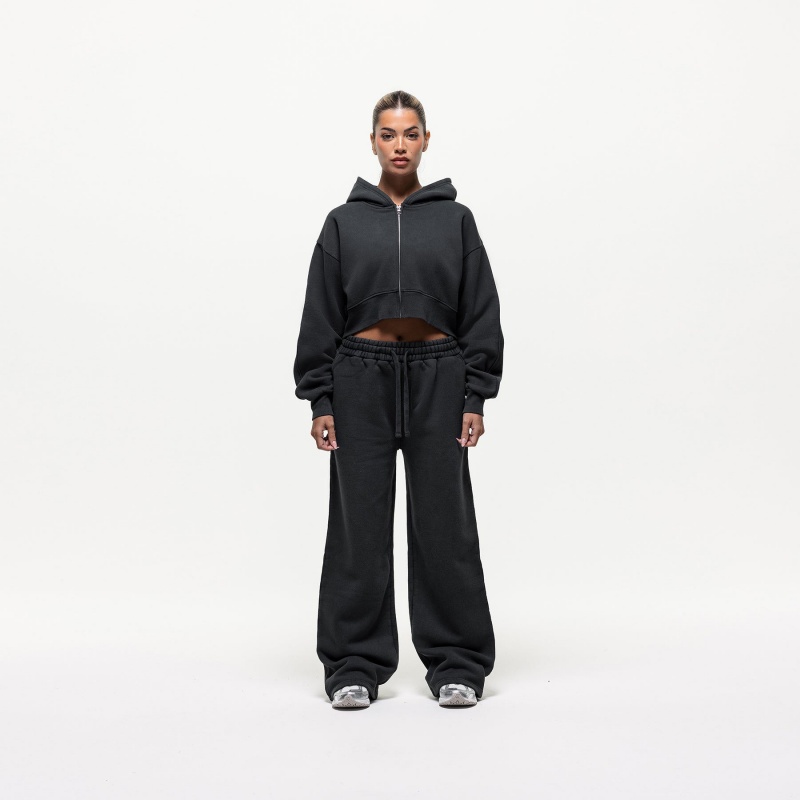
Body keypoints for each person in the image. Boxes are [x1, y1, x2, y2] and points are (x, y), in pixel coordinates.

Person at [293, 89, 504, 710]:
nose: (400, 145)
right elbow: (319, 312)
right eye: (389, 134)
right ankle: (353, 665)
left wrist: (476, 393)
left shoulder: (455, 220)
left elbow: (481, 308)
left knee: (445, 523)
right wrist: (321, 399)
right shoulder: (343, 221)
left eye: (411, 133)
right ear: (373, 142)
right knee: (358, 525)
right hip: (360, 376)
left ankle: (457, 663)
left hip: (441, 374)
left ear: (426, 140)